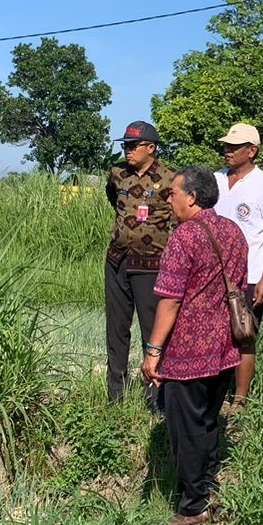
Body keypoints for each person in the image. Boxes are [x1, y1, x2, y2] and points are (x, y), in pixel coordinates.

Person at [140, 166, 246, 525]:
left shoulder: (183, 237)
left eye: (173, 193)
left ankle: (193, 505)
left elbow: (170, 300)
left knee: (186, 429)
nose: (168, 200)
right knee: (208, 421)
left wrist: (153, 350)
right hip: (226, 348)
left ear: (193, 197)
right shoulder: (233, 231)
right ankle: (210, 489)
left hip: (188, 351)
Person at [103, 120, 175, 407]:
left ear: (151, 148)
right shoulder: (117, 174)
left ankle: (155, 398)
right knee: (116, 329)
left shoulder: (169, 179)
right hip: (117, 261)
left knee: (152, 332)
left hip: (151, 267)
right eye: (125, 146)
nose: (128, 151)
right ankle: (115, 395)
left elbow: (180, 215)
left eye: (133, 146)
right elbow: (113, 199)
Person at [213, 122, 263, 407]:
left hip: (248, 276)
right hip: (213, 274)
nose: (227, 151)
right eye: (226, 146)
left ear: (251, 150)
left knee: (243, 335)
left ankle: (239, 400)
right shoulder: (216, 180)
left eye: (234, 147)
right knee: (214, 334)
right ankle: (214, 395)